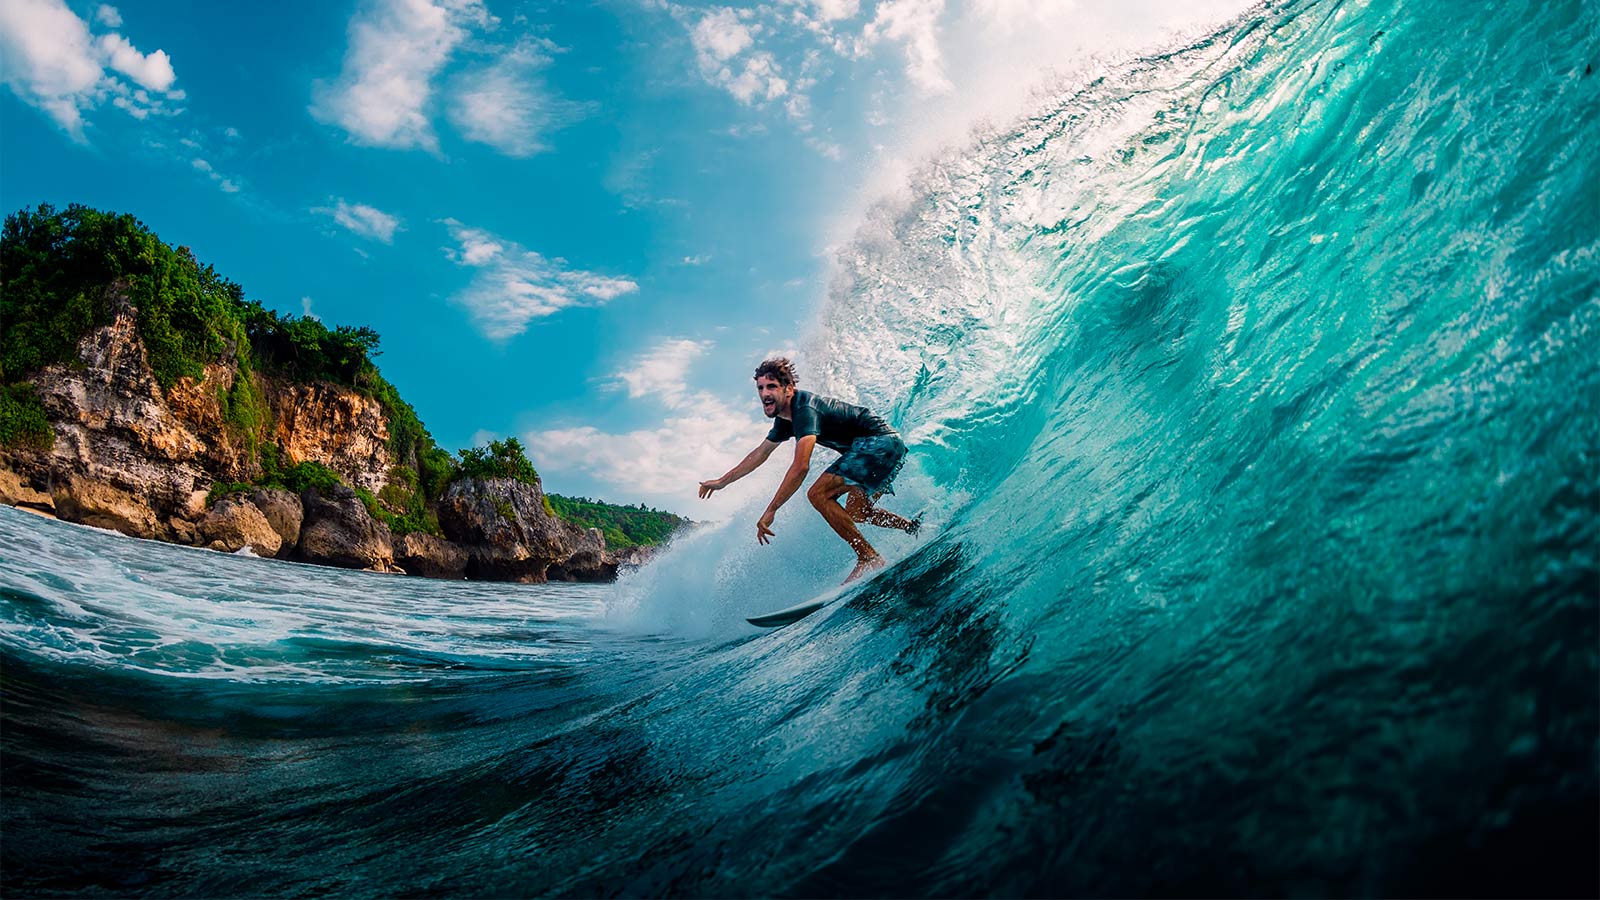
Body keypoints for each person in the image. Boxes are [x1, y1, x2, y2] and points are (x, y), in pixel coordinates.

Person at [699, 357, 919, 583]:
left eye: (772, 386)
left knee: (818, 494)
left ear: (789, 389)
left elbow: (801, 466)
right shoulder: (785, 420)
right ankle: (912, 527)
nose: (765, 393)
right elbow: (760, 453)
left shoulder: (804, 409)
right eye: (761, 388)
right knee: (857, 512)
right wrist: (722, 482)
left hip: (879, 444)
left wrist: (772, 509)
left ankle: (868, 557)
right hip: (889, 447)